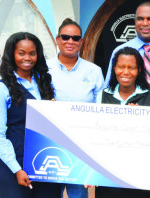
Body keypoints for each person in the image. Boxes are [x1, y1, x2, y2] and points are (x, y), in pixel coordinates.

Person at [0, 32, 60, 198]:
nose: (27, 57)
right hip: (13, 167)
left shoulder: (45, 83)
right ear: (11, 54)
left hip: (44, 164)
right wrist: (17, 169)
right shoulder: (2, 89)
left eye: (32, 53)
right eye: (21, 53)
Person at [95, 47, 150, 197]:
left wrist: (142, 121)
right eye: (121, 67)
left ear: (139, 69)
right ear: (114, 69)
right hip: (109, 174)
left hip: (143, 173)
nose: (125, 72)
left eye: (131, 67)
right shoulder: (103, 95)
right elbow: (97, 133)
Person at [47, 18, 104, 197]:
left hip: (81, 148)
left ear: (81, 42)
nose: (70, 41)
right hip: (49, 143)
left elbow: (100, 110)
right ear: (57, 39)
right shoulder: (43, 69)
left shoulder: (94, 71)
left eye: (75, 38)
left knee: (78, 194)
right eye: (65, 37)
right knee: (48, 194)